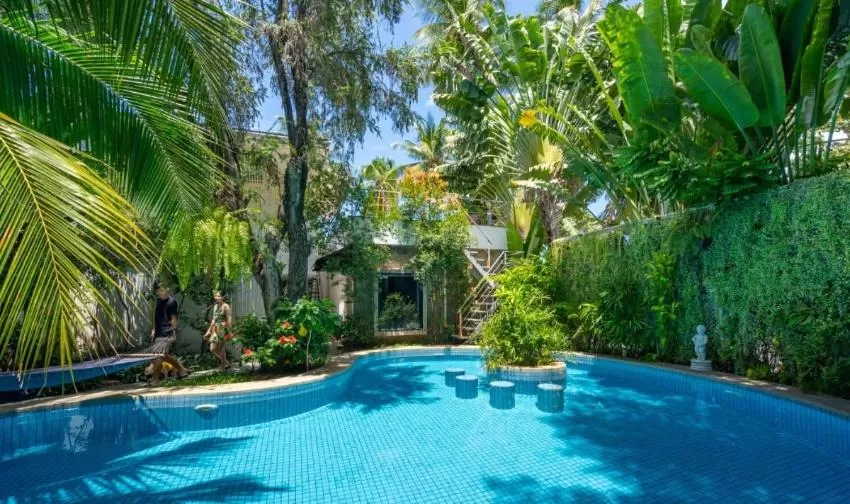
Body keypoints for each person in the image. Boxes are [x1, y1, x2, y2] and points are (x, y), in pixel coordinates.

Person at [150, 282, 189, 385]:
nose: (159, 292)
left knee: (158, 356)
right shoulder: (157, 301)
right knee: (163, 356)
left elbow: (174, 319)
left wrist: (173, 332)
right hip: (158, 332)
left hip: (166, 332)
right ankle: (182, 369)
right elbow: (155, 316)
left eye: (161, 290)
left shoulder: (172, 302)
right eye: (158, 290)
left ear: (167, 289)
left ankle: (155, 380)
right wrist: (153, 329)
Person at [203, 291, 232, 371]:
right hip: (215, 329)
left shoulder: (226, 306)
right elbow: (213, 319)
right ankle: (226, 362)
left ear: (222, 297)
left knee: (221, 348)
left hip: (223, 328)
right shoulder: (215, 306)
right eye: (215, 296)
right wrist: (208, 331)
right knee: (212, 349)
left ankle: (223, 367)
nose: (216, 297)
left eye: (218, 296)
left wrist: (229, 331)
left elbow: (229, 319)